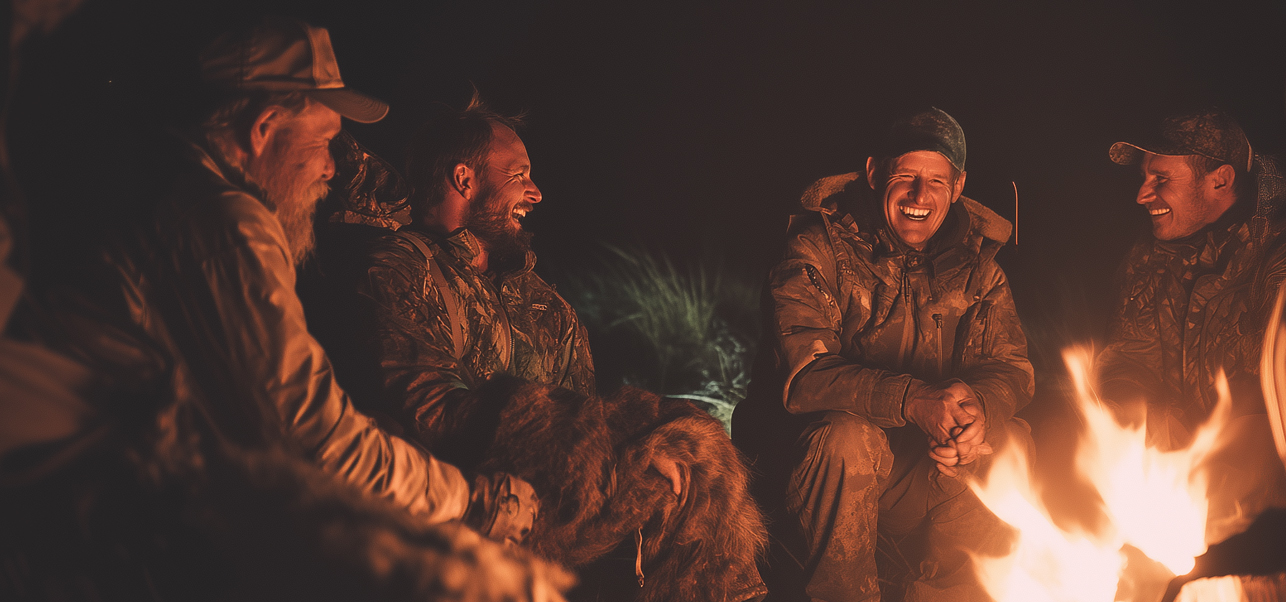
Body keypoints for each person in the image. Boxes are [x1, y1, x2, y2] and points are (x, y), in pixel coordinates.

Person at [302, 97, 769, 602]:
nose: (536, 192)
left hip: (550, 508)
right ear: (465, 179)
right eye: (519, 175)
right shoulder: (399, 270)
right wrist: (603, 436)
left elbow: (586, 419)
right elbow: (425, 408)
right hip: (456, 505)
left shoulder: (546, 305)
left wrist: (633, 448)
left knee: (693, 456)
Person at [89, 17, 535, 542]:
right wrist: (467, 498)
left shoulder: (181, 201)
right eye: (324, 141)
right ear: (263, 129)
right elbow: (308, 431)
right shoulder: (227, 222)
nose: (331, 168)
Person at [732, 107, 1033, 602]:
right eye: (906, 177)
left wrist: (978, 408)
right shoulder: (814, 251)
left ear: (957, 187)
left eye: (936, 180)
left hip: (913, 471)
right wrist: (915, 399)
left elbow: (1011, 369)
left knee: (1010, 437)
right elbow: (806, 376)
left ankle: (953, 594)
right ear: (874, 174)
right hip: (807, 470)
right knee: (849, 437)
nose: (920, 196)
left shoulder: (979, 270)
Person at [1095, 108, 1286, 542]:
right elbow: (1128, 356)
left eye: (1161, 178)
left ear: (1220, 180)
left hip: (1263, 489)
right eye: (1144, 178)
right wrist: (1133, 425)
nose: (1143, 195)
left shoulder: (1276, 262)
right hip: (1179, 467)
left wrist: (1210, 470)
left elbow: (1272, 405)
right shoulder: (1149, 259)